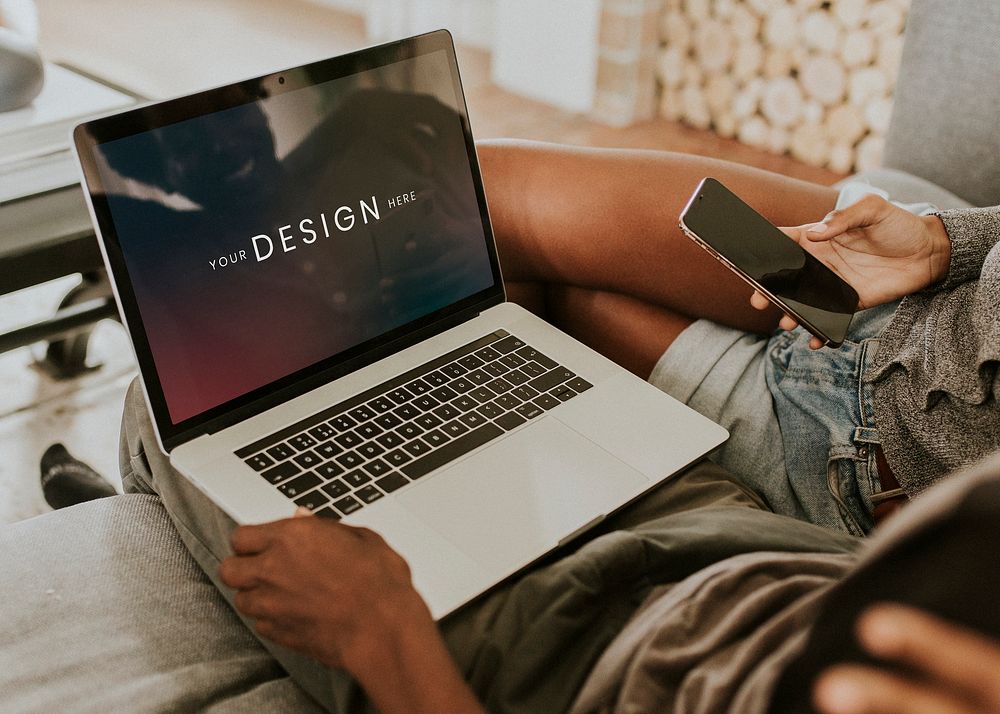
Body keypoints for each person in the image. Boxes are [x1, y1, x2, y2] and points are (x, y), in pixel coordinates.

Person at [109, 140, 997, 712]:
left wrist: (385, 637)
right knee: (468, 238)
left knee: (178, 391)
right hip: (752, 542)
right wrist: (945, 242)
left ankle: (137, 503)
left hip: (581, 659)